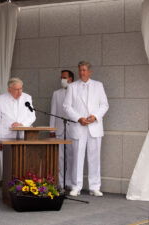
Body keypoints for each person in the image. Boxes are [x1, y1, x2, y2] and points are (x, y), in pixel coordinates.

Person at [63, 61, 109, 197]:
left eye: (84, 70)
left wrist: (95, 116)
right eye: (80, 70)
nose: (82, 73)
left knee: (94, 158)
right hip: (78, 126)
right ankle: (76, 186)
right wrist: (78, 118)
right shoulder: (72, 87)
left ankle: (95, 186)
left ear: (90, 72)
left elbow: (104, 105)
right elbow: (67, 106)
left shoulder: (98, 85)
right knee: (77, 157)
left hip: (94, 126)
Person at [0, 77, 36, 185]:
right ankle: (8, 188)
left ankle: (23, 186)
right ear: (9, 89)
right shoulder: (0, 99)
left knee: (23, 162)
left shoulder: (27, 97)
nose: (20, 92)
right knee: (7, 163)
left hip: (23, 135)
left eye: (21, 88)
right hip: (5, 136)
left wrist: (22, 125)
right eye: (16, 89)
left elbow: (32, 115)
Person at [49, 70, 74, 189]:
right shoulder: (56, 93)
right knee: (60, 158)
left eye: (64, 77)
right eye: (61, 78)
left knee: (72, 157)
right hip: (59, 130)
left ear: (71, 79)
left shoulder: (76, 91)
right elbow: (53, 112)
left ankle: (69, 182)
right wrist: (51, 130)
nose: (62, 80)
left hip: (73, 130)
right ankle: (61, 182)